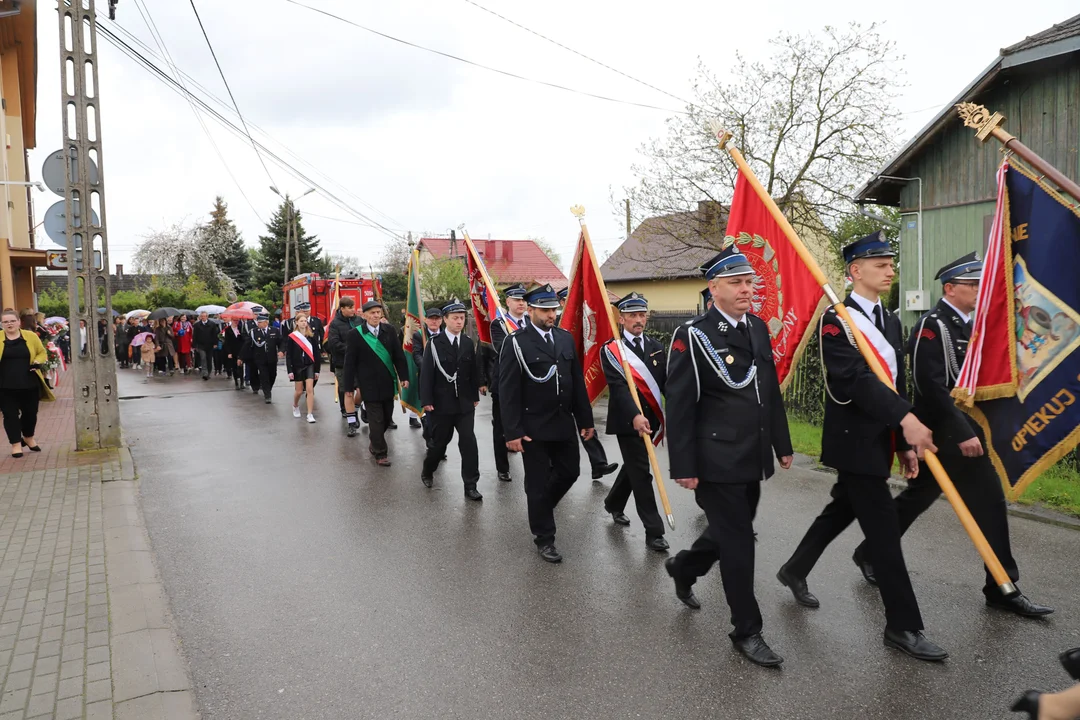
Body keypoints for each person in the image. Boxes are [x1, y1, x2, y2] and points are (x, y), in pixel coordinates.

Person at [851, 253, 1053, 617]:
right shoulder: (933, 326)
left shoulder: (973, 327)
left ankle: (1000, 586)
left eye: (979, 284)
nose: (978, 290)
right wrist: (961, 433)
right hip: (941, 436)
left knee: (982, 505)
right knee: (927, 501)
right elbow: (930, 387)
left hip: (969, 434)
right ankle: (999, 587)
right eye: (971, 285)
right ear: (950, 289)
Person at [777, 232, 947, 663]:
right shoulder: (837, 320)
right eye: (881, 264)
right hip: (854, 442)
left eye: (891, 263)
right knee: (885, 535)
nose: (891, 270)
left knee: (839, 510)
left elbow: (895, 382)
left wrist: (901, 442)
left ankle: (794, 569)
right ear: (855, 271)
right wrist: (906, 420)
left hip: (881, 439)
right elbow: (855, 380)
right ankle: (902, 626)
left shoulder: (888, 319)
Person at [661, 248, 793, 668]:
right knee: (738, 542)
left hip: (750, 452)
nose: (746, 289)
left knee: (730, 530)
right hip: (715, 456)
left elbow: (768, 389)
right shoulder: (694, 334)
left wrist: (782, 442)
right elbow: (679, 405)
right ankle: (747, 630)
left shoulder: (756, 327)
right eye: (736, 282)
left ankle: (684, 568)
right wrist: (683, 466)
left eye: (750, 282)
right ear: (713, 287)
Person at [499, 284, 594, 563]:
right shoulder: (516, 342)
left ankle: (540, 508)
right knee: (537, 484)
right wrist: (512, 431)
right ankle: (545, 538)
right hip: (533, 427)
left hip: (563, 423)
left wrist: (585, 419)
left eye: (554, 309)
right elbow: (508, 390)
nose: (552, 314)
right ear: (530, 310)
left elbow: (576, 381)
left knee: (570, 473)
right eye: (545, 309)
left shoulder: (564, 339)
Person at [600, 293, 668, 552]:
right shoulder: (612, 349)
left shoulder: (656, 347)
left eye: (642, 315)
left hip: (650, 419)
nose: (638, 320)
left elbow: (666, 383)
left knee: (633, 466)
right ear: (622, 318)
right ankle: (654, 532)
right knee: (641, 472)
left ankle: (614, 503)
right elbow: (617, 388)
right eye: (632, 315)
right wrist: (634, 415)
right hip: (628, 421)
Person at [420, 300, 486, 500]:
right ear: (445, 320)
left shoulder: (467, 342)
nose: (459, 321)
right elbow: (427, 375)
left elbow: (473, 370)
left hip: (465, 404)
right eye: (455, 318)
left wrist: (475, 395)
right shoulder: (434, 344)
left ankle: (471, 485)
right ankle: (428, 470)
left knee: (468, 443)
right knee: (439, 443)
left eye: (462, 318)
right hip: (442, 404)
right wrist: (426, 400)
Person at [555, 288, 618, 481]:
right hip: (560, 383)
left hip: (580, 378)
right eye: (569, 300)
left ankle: (598, 464)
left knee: (586, 421)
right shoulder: (556, 325)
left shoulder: (586, 321)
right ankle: (554, 467)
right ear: (562, 303)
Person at [342, 300, 408, 465]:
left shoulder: (389, 330)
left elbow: (398, 356)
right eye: (372, 313)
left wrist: (404, 376)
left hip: (387, 382)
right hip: (368, 384)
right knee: (376, 420)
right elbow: (349, 362)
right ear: (364, 315)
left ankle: (375, 441)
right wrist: (348, 386)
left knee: (386, 419)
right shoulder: (355, 334)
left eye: (378, 312)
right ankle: (380, 453)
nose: (376, 316)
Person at [487, 283, 529, 482]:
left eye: (523, 299)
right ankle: (502, 467)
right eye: (517, 299)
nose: (521, 303)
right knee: (501, 427)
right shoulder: (499, 324)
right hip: (505, 383)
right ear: (508, 302)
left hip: (530, 384)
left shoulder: (531, 321)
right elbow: (500, 348)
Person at [0, 308, 53, 459]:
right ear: (2, 324)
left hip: (29, 383)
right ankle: (16, 444)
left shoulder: (30, 336)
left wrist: (38, 361)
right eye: (5, 322)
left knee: (31, 413)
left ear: (18, 322)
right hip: (5, 385)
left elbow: (42, 352)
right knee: (10, 415)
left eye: (12, 321)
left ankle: (28, 437)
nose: (9, 324)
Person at [326, 297, 361, 419]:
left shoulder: (359, 320)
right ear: (342, 309)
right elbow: (333, 344)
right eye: (350, 308)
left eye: (353, 307)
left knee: (361, 391)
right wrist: (351, 350)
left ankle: (355, 409)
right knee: (346, 390)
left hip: (358, 362)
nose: (353, 310)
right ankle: (347, 412)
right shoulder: (335, 324)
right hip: (342, 363)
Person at [285, 312, 321, 422]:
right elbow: (289, 355)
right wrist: (289, 370)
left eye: (305, 321)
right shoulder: (292, 337)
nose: (304, 323)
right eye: (301, 321)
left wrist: (317, 370)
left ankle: (310, 414)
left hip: (309, 364)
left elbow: (316, 354)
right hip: (297, 366)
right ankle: (295, 405)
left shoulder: (311, 336)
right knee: (299, 391)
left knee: (310, 390)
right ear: (296, 323)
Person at [242, 313, 281, 403]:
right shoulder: (254, 332)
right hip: (260, 359)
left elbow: (280, 341)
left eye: (260, 322)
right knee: (264, 376)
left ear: (266, 322)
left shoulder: (275, 330)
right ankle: (267, 394)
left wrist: (281, 350)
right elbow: (247, 345)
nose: (258, 324)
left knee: (273, 375)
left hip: (272, 358)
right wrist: (241, 357)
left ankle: (267, 388)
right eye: (258, 322)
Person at [192, 312, 219, 381]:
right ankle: (205, 373)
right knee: (203, 358)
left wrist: (215, 343)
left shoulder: (212, 324)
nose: (203, 317)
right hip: (201, 345)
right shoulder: (197, 325)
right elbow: (195, 335)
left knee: (209, 359)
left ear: (207, 317)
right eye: (202, 316)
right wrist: (194, 345)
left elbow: (214, 335)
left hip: (209, 345)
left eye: (204, 316)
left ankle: (209, 372)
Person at [222, 318, 245, 390]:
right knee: (234, 367)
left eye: (237, 321)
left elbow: (244, 340)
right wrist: (229, 352)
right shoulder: (228, 329)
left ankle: (242, 382)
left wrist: (240, 334)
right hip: (232, 351)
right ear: (231, 321)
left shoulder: (240, 328)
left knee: (241, 367)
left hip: (240, 350)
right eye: (234, 321)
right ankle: (236, 383)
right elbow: (227, 342)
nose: (236, 322)